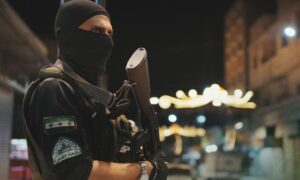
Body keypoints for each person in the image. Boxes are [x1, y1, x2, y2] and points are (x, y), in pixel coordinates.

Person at [22, 0, 168, 179]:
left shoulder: (89, 97)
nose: (106, 40)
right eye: (97, 31)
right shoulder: (54, 89)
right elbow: (74, 171)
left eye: (109, 33)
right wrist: (145, 169)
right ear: (67, 35)